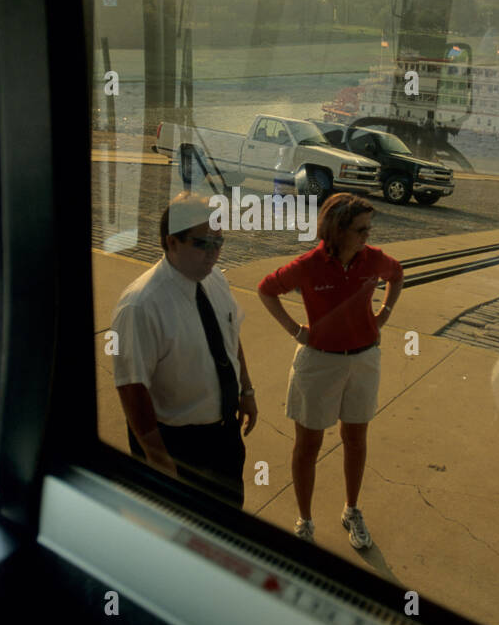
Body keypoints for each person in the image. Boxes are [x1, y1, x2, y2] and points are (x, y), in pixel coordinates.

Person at [257, 193, 403, 548]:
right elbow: (266, 289)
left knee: (355, 440)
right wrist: (295, 329)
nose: (367, 235)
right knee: (309, 444)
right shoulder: (309, 264)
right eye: (360, 229)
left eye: (369, 228)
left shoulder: (372, 260)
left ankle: (352, 510)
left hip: (364, 360)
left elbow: (397, 274)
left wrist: (383, 315)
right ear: (337, 230)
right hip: (319, 362)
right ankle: (304, 519)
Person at [111, 193, 257, 508]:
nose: (213, 254)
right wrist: (158, 458)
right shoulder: (141, 305)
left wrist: (246, 390)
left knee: (228, 521)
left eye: (219, 242)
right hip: (179, 445)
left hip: (224, 436)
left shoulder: (215, 279)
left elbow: (230, 333)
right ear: (171, 242)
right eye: (202, 243)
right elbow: (132, 387)